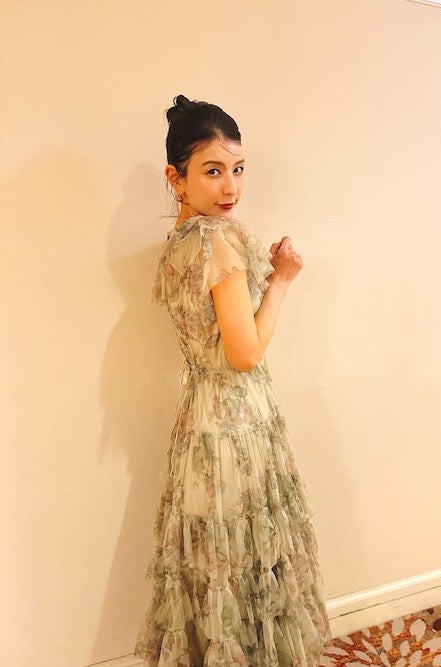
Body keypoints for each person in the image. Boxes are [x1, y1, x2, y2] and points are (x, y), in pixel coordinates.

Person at [135, 95, 330, 667]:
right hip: (236, 423)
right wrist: (283, 281)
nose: (230, 187)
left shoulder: (177, 243)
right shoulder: (218, 239)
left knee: (215, 569)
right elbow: (243, 354)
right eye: (212, 171)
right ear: (176, 177)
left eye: (237, 169)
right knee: (248, 568)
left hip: (198, 421)